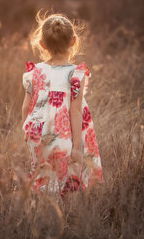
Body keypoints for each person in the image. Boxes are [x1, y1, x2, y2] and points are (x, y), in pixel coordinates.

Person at [21, 12, 104, 197]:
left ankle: (42, 213)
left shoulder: (34, 72)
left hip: (37, 134)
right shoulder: (75, 74)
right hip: (64, 135)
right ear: (74, 41)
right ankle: (62, 218)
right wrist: (76, 146)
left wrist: (27, 131)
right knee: (65, 179)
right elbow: (75, 111)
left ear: (42, 44)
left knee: (43, 177)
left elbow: (25, 107)